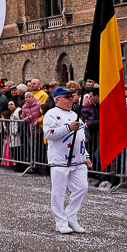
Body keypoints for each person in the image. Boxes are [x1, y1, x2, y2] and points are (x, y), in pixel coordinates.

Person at [43, 87, 92, 234]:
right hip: (60, 160)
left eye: (72, 96)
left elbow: (80, 138)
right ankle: (60, 222)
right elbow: (49, 133)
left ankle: (71, 216)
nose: (71, 99)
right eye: (67, 97)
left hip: (78, 160)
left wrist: (86, 155)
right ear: (57, 99)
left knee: (82, 188)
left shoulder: (75, 114)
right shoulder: (51, 114)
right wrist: (68, 128)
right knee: (59, 193)